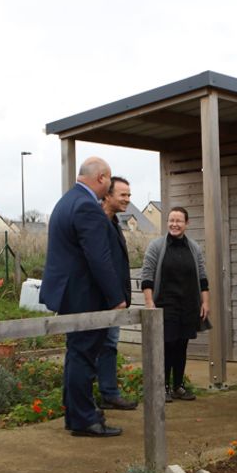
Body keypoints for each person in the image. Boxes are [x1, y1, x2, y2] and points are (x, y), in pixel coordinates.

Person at [41, 157, 127, 437]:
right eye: (109, 181)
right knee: (84, 356)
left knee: (77, 353)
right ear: (101, 178)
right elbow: (98, 257)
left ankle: (76, 413)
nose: (109, 188)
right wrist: (116, 297)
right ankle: (83, 419)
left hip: (70, 293)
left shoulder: (66, 201)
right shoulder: (87, 206)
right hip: (84, 296)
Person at [141, 206, 209, 403]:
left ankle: (178, 386)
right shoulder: (156, 246)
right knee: (167, 345)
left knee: (182, 346)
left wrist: (205, 302)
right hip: (165, 305)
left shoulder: (194, 248)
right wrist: (149, 302)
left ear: (187, 224)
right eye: (171, 220)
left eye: (179, 221)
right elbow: (147, 276)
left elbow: (203, 277)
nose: (174, 224)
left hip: (188, 305)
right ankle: (163, 387)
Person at [95, 176, 137, 410]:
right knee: (91, 347)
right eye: (123, 195)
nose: (128, 200)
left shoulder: (114, 222)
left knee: (110, 344)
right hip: (98, 300)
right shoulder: (96, 222)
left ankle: (109, 393)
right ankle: (87, 399)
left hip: (114, 301)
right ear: (107, 195)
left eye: (129, 195)